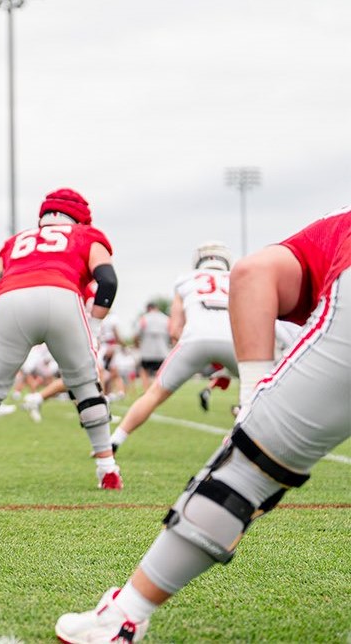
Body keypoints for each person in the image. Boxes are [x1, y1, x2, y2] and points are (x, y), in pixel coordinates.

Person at [55, 208, 351, 642]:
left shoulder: (324, 235)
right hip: (235, 337)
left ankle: (124, 615)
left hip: (199, 339)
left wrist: (252, 396)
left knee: (243, 471)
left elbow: (253, 274)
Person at [0, 187, 123, 492]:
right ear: (79, 218)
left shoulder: (18, 241)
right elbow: (107, 280)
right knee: (85, 385)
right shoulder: (85, 236)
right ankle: (107, 468)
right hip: (62, 296)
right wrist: (93, 322)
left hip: (10, 301)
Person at [110, 242, 238, 451]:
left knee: (153, 394)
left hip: (194, 340)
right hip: (233, 341)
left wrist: (193, 356)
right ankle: (240, 437)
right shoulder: (238, 280)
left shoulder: (186, 280)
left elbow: (175, 329)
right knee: (260, 394)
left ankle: (115, 440)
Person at [134, 301, 171, 391]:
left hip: (147, 352)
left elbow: (136, 334)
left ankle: (146, 391)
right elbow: (172, 333)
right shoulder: (166, 319)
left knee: (144, 371)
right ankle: (156, 391)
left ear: (148, 309)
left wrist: (137, 345)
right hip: (162, 352)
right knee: (159, 373)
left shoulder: (144, 318)